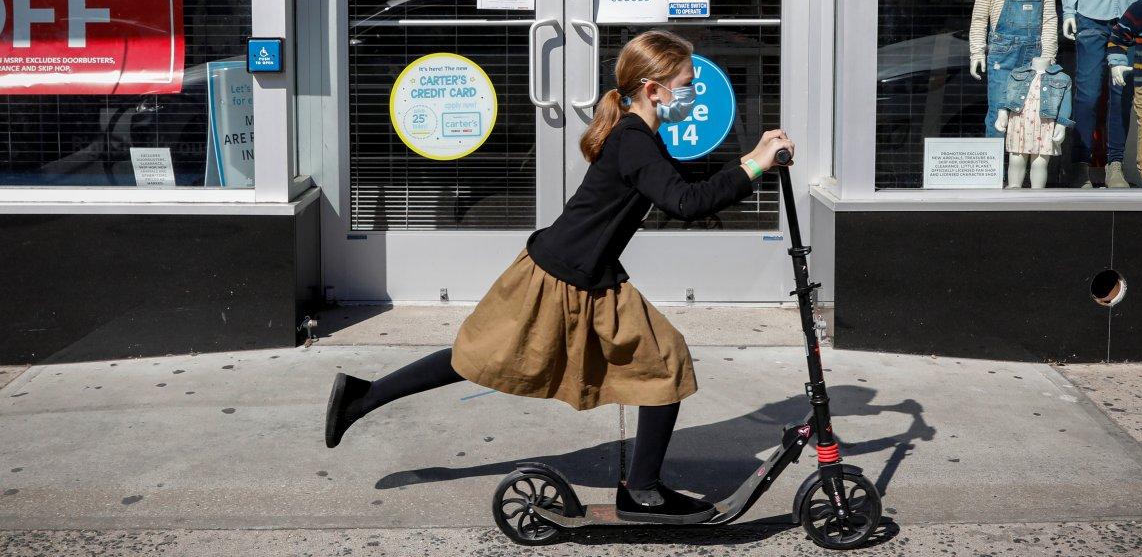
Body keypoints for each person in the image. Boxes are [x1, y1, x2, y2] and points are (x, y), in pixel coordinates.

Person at [323, 30, 795, 524]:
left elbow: (684, 188)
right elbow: (685, 203)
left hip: (582, 274)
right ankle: (642, 492)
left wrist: (752, 159)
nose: (692, 92)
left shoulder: (639, 136)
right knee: (485, 357)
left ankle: (642, 489)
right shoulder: (634, 139)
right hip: (558, 277)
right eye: (686, 83)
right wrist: (753, 166)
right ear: (654, 89)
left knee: (654, 361)